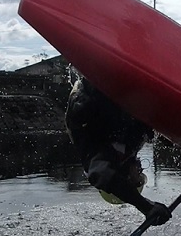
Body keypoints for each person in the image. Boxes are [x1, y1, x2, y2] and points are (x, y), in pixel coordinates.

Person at [64, 65, 172, 226]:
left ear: (127, 180)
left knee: (86, 109)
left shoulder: (99, 161)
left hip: (92, 94)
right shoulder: (128, 151)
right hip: (119, 96)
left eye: (138, 179)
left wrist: (145, 207)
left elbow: (102, 176)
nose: (141, 171)